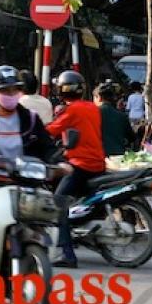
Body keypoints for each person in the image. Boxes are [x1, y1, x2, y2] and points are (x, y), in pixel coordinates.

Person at [0, 65, 68, 274]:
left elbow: (47, 147)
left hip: (24, 183)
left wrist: (61, 163)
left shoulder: (30, 118)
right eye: (4, 91)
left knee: (43, 216)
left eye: (14, 90)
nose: (10, 95)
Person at [46, 70, 106, 268]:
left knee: (58, 202)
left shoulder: (70, 111)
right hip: (98, 163)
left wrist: (32, 133)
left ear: (62, 90)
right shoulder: (92, 107)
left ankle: (67, 253)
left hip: (81, 165)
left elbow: (52, 130)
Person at [94, 83, 136, 156]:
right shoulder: (122, 116)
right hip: (118, 157)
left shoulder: (93, 113)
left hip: (98, 156)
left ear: (99, 97)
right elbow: (131, 137)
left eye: (94, 98)